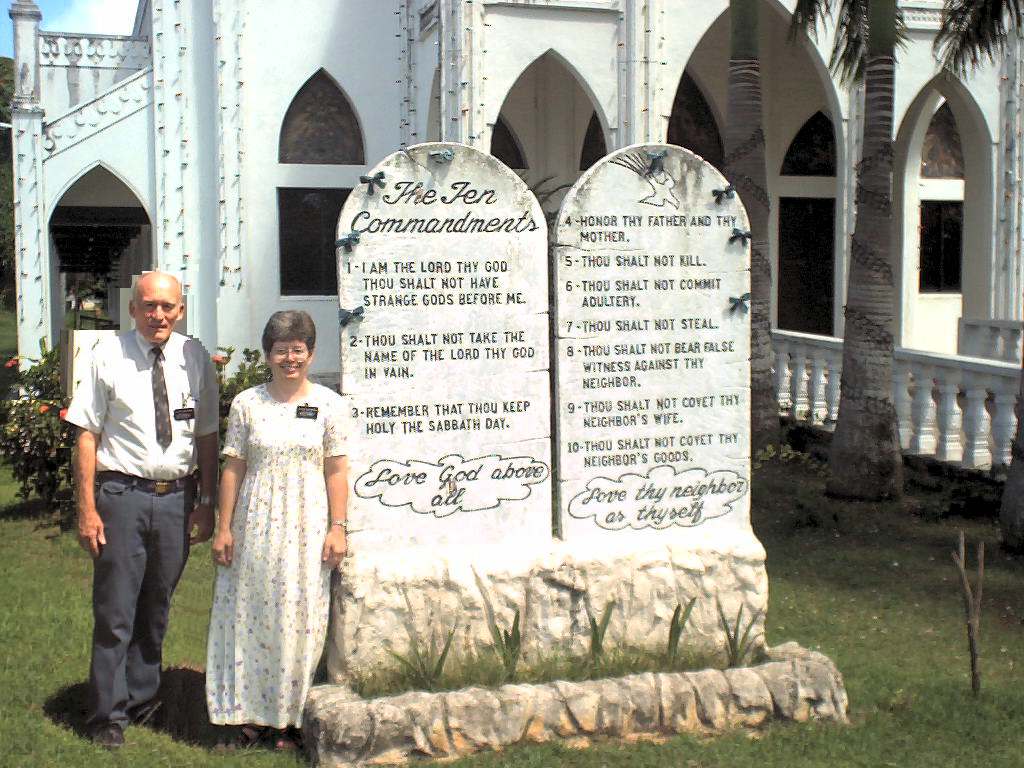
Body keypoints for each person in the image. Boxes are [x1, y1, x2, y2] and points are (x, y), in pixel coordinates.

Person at [66, 271, 218, 749]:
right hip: (121, 499)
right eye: (149, 306)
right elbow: (86, 435)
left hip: (176, 500)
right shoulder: (107, 355)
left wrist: (206, 502)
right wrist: (86, 509)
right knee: (116, 610)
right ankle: (107, 714)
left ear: (181, 310)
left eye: (168, 307)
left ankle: (143, 698)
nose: (159, 315)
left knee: (156, 607)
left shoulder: (194, 357)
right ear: (133, 309)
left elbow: (209, 436)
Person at [206, 310, 348, 750]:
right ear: (268, 355)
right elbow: (233, 467)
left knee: (298, 619)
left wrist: (338, 527)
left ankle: (288, 719)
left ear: (311, 352)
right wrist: (223, 527)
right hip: (255, 525)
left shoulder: (330, 405)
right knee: (250, 613)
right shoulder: (247, 404)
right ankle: (247, 714)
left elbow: (337, 470)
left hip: (306, 527)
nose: (290, 358)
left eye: (298, 349)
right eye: (281, 350)